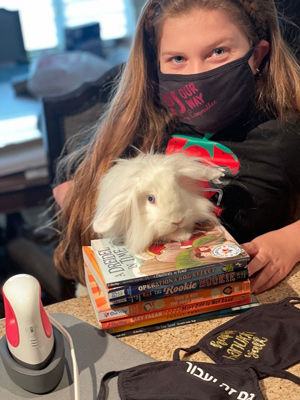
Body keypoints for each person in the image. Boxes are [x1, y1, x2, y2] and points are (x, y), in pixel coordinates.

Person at [53, 0, 300, 294]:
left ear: (256, 55)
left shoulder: (284, 135)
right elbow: (68, 191)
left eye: (218, 52)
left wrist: (292, 241)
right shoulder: (146, 125)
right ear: (155, 63)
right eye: (178, 59)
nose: (197, 74)